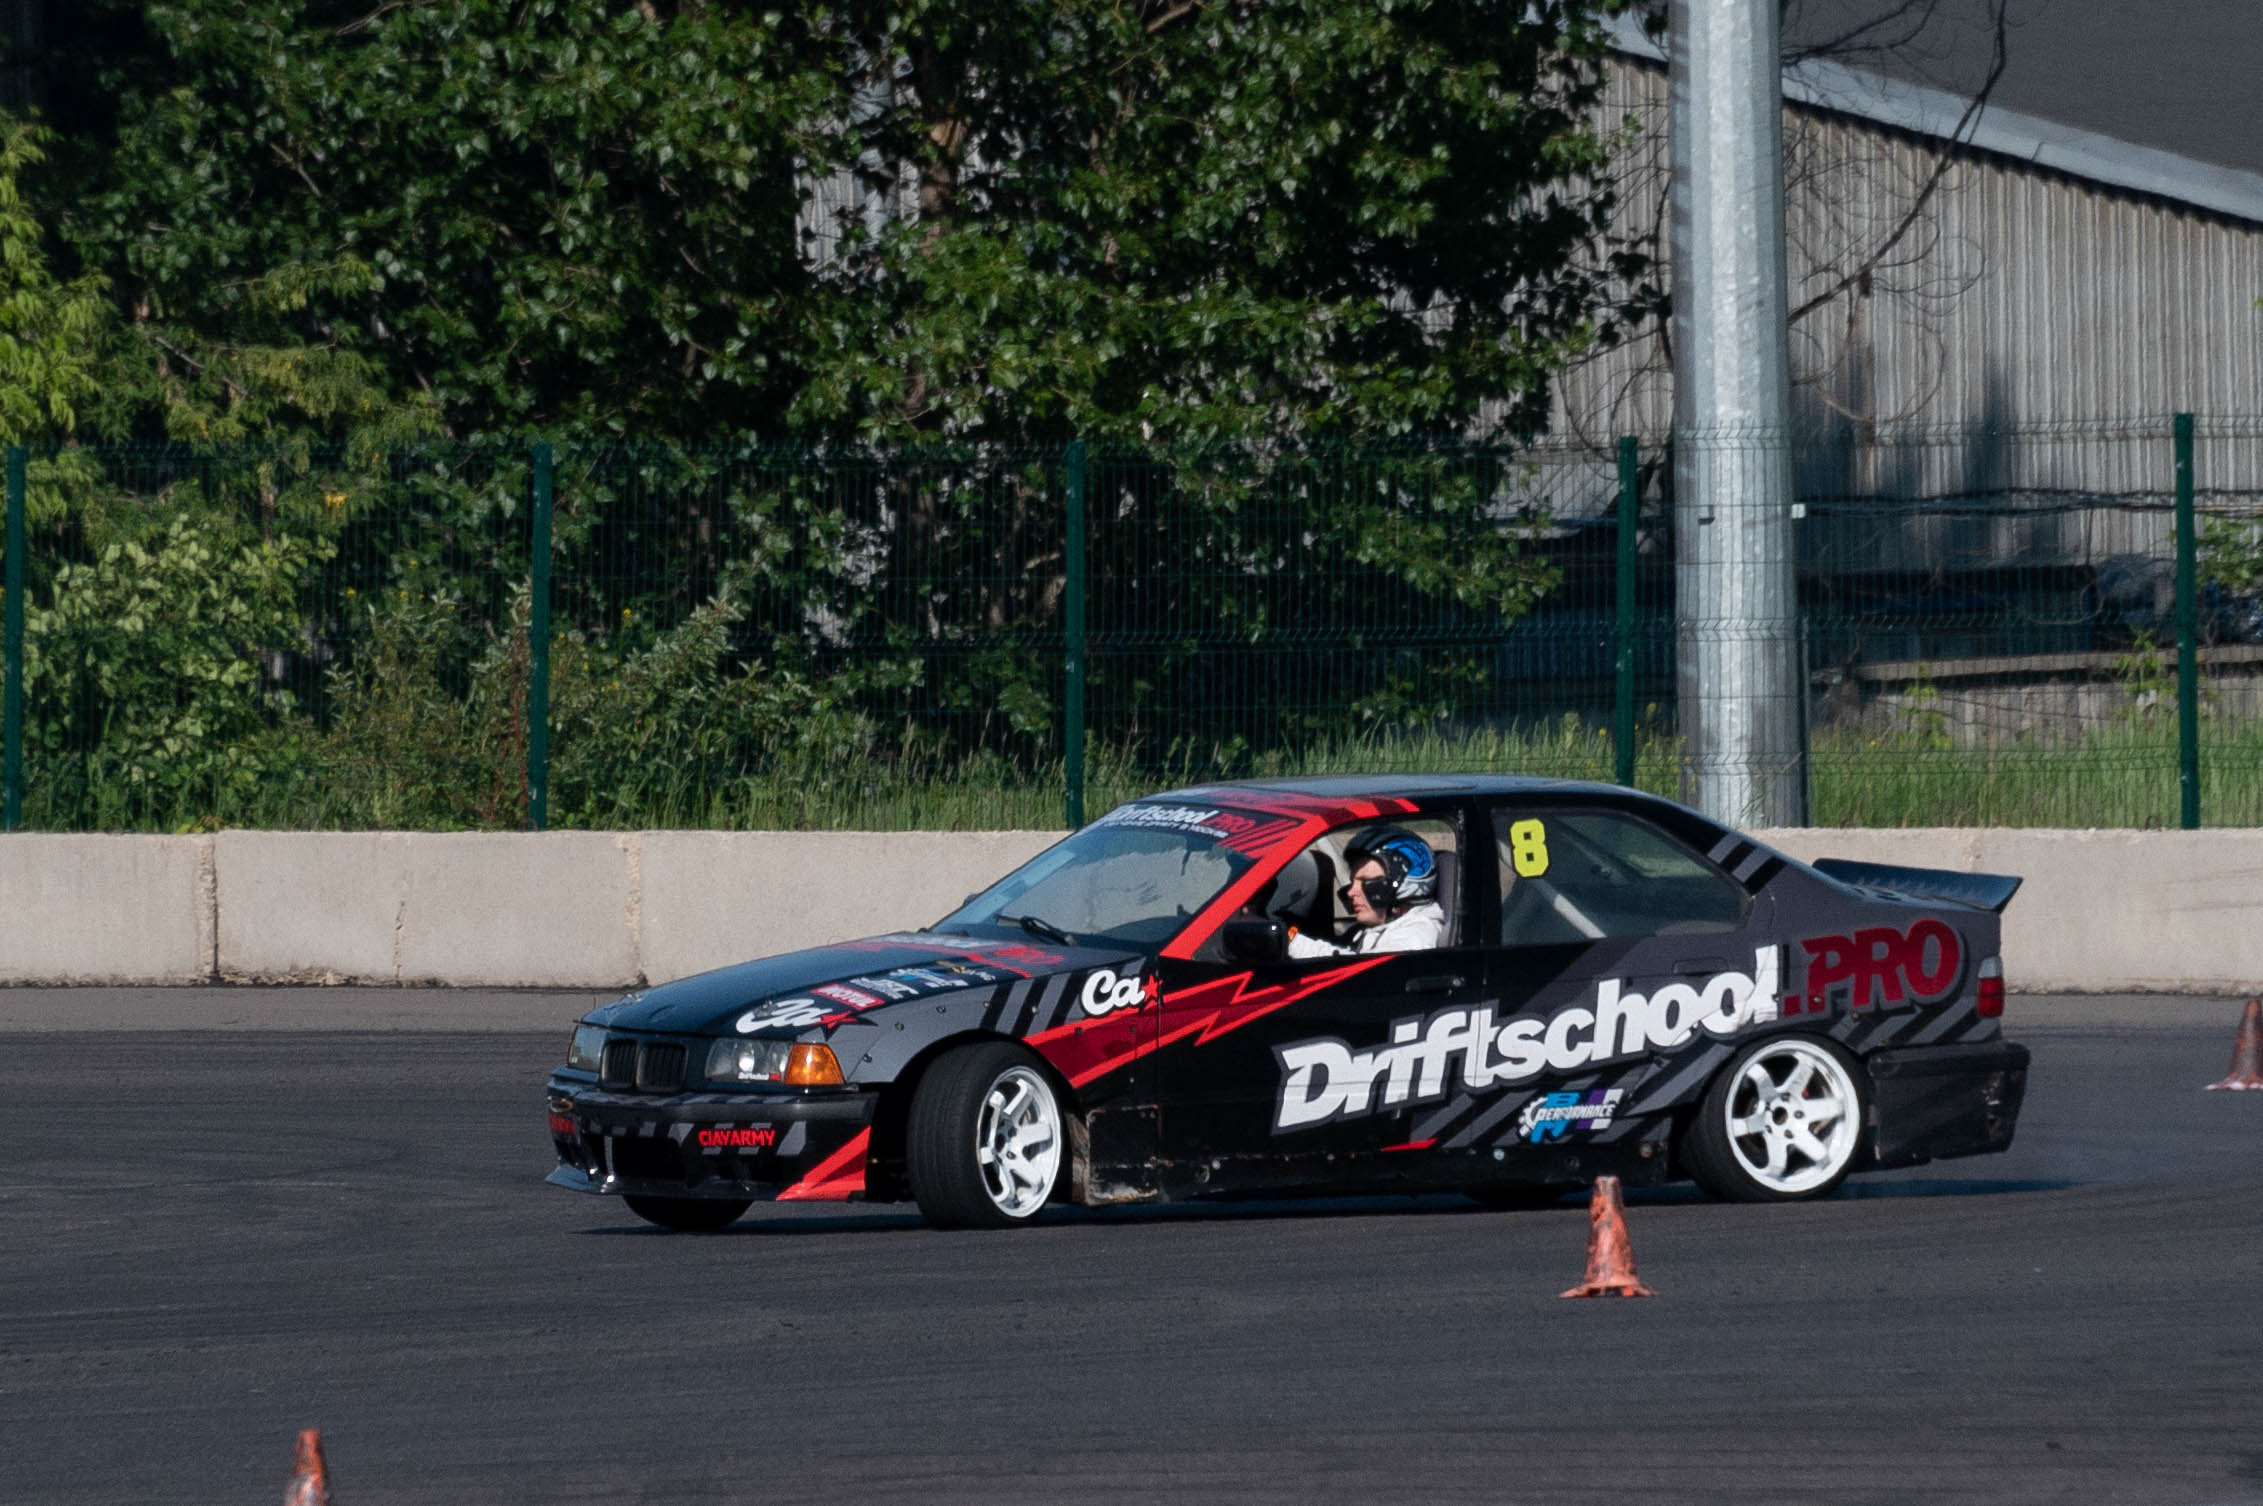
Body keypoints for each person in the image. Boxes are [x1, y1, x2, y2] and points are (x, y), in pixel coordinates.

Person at [1288, 825, 1447, 958]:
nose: (1351, 892)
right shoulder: (1373, 929)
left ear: (1401, 884)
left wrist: (1291, 942)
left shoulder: (1415, 937)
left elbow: (1359, 974)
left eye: (1366, 881)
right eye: (1353, 882)